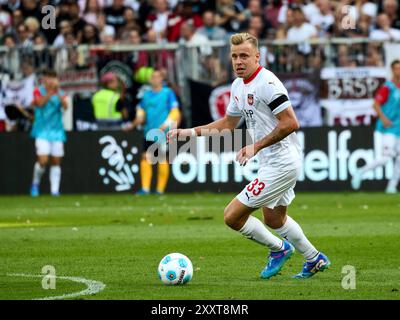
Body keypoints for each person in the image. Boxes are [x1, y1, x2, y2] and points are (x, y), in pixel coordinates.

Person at [167, 33, 330, 279]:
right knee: (274, 219)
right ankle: (314, 258)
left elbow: (290, 123)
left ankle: (279, 249)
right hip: (272, 161)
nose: (238, 61)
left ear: (257, 56)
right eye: (234, 56)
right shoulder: (237, 86)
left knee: (232, 216)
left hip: (283, 161)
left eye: (244, 56)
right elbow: (228, 124)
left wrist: (256, 146)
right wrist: (189, 133)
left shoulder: (268, 83)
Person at [125, 69, 180, 195]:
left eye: (157, 77)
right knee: (145, 157)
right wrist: (136, 122)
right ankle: (145, 188)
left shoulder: (168, 93)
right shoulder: (146, 95)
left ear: (161, 79)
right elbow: (141, 112)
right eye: (152, 77)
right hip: (148, 131)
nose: (154, 79)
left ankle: (160, 190)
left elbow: (175, 111)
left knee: (161, 158)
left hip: (163, 132)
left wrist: (165, 125)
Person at [352, 59, 400, 194]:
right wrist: (383, 118)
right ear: (392, 70)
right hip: (388, 128)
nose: (399, 71)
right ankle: (361, 171)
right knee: (385, 158)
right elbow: (375, 104)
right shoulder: (388, 87)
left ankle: (392, 186)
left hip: (398, 128)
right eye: (396, 68)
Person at [30, 69, 68, 197]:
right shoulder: (37, 91)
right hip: (41, 130)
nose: (51, 80)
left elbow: (65, 106)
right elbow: (39, 103)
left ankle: (54, 190)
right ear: (44, 79)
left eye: (53, 77)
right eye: (49, 78)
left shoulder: (61, 93)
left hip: (57, 131)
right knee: (43, 160)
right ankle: (35, 184)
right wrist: (50, 93)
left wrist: (56, 93)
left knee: (56, 161)